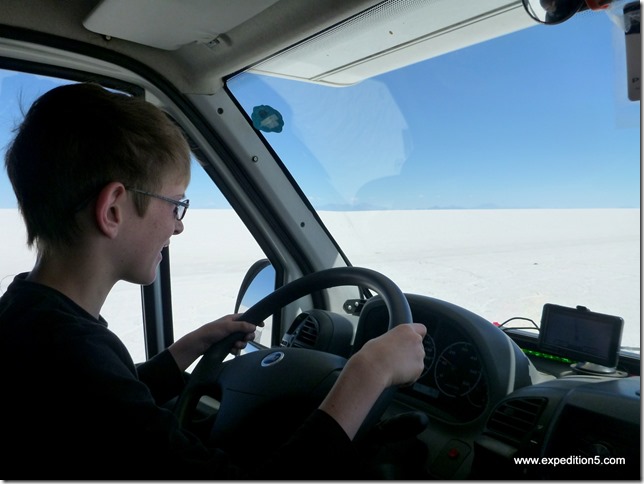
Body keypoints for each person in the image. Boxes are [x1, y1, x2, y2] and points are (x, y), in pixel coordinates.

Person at [0, 82, 427, 479]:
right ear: (113, 209)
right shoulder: (71, 355)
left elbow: (107, 410)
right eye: (175, 204)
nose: (178, 226)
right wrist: (368, 372)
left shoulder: (31, 320)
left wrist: (185, 349)